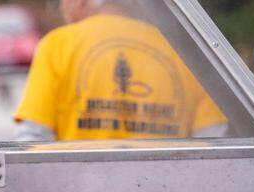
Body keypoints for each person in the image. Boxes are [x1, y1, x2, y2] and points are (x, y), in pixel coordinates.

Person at [13, 0, 227, 141]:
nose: (60, 7)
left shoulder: (58, 45)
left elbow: (32, 140)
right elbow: (213, 139)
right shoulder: (176, 50)